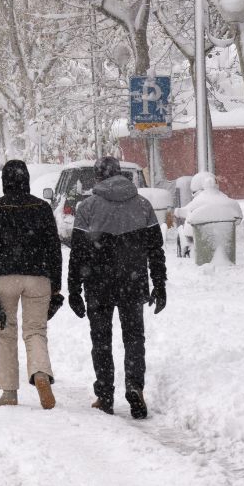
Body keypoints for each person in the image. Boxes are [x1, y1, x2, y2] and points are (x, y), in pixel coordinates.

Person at [66, 156, 167, 420]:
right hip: (133, 282)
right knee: (134, 338)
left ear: (98, 177)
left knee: (101, 340)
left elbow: (78, 253)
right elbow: (155, 249)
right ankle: (134, 386)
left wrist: (74, 289)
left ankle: (105, 395)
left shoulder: (87, 207)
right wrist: (159, 284)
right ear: (121, 174)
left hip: (97, 284)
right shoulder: (143, 205)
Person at [0, 160, 61, 409]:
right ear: (27, 180)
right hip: (38, 276)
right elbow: (54, 248)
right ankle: (40, 372)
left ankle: (9, 391)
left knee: (6, 332)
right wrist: (56, 283)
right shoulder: (42, 208)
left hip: (5, 276)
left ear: (4, 182)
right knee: (35, 331)